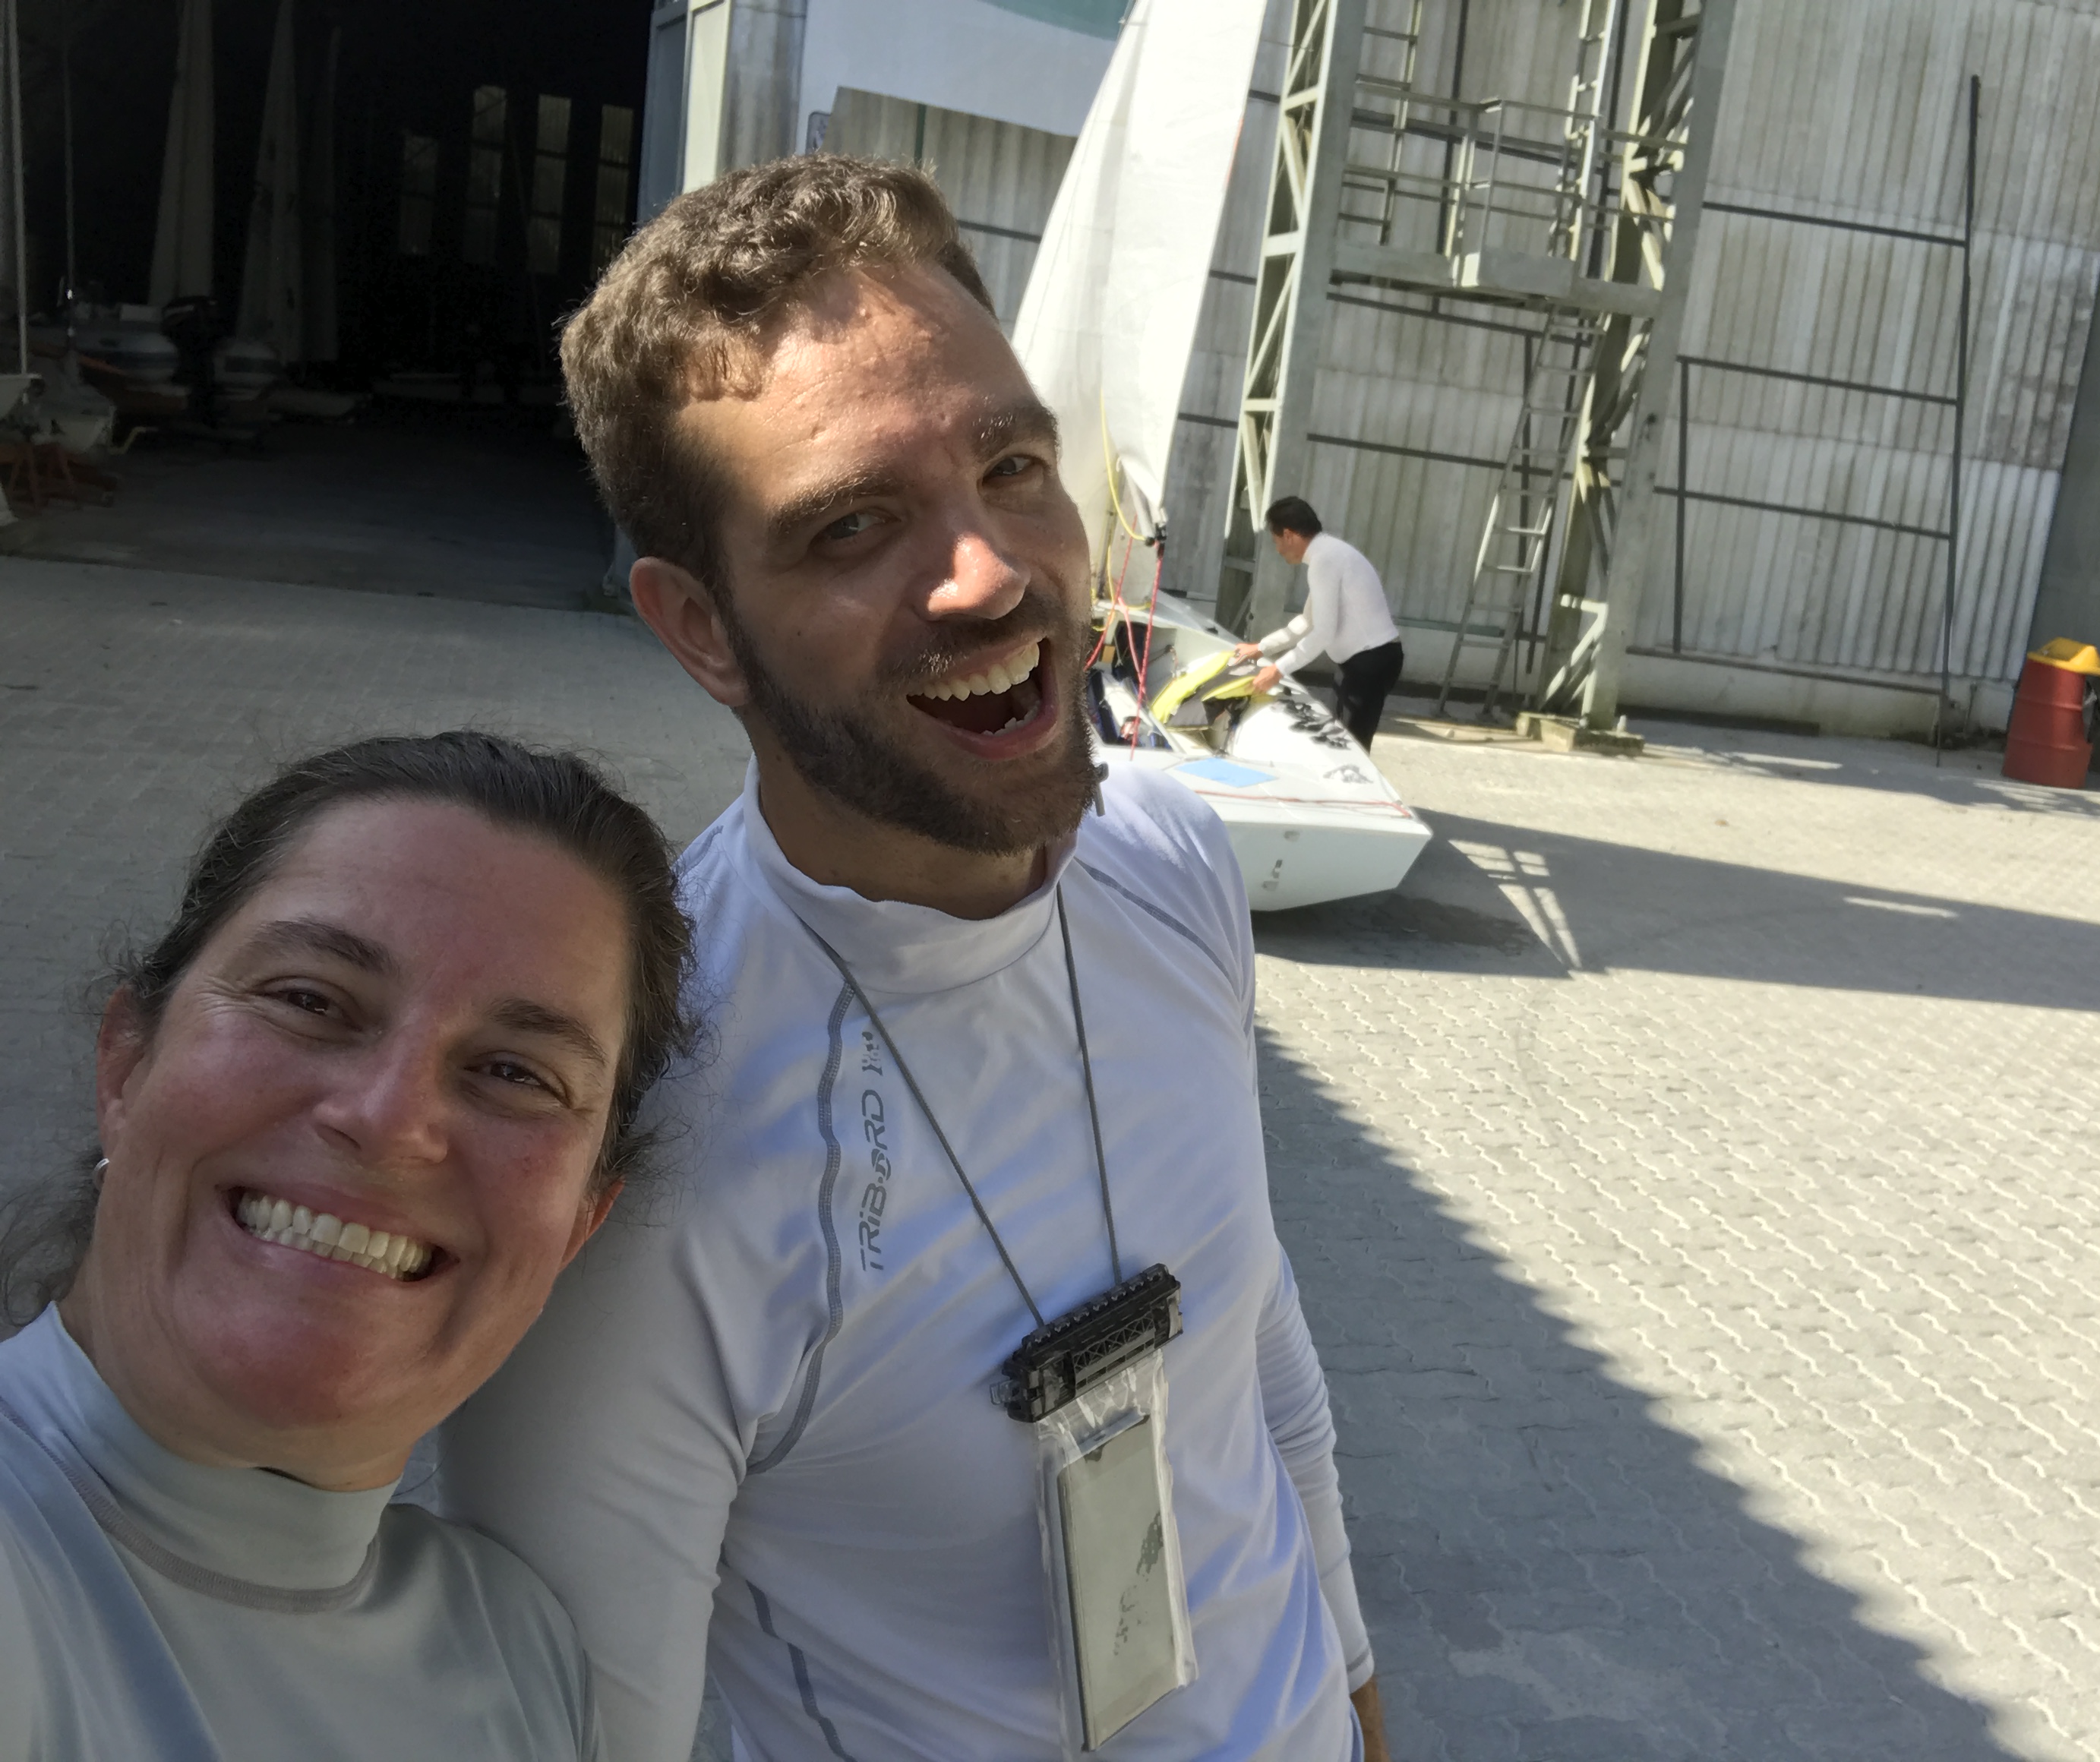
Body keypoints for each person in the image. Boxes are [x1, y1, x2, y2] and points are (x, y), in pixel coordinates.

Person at [436, 156, 1391, 1761]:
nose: (992, 571)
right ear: (700, 628)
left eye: (1011, 464)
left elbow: (1253, 1347)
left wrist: (1355, 1691)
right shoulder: (643, 1146)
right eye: (852, 526)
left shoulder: (1168, 859)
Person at [0, 733, 696, 1760]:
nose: (389, 1119)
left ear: (579, 1224)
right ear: (126, 1067)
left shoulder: (523, 1655)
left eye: (516, 1073)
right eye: (310, 1000)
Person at [1233, 497, 1405, 749]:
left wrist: (1277, 670)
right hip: (1367, 662)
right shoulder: (1329, 553)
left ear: (1288, 535)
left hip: (1370, 663)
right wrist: (1262, 648)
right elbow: (1308, 621)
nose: (1278, 549)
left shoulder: (1324, 560)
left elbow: (1323, 632)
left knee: (1348, 750)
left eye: (1276, 540)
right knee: (1337, 743)